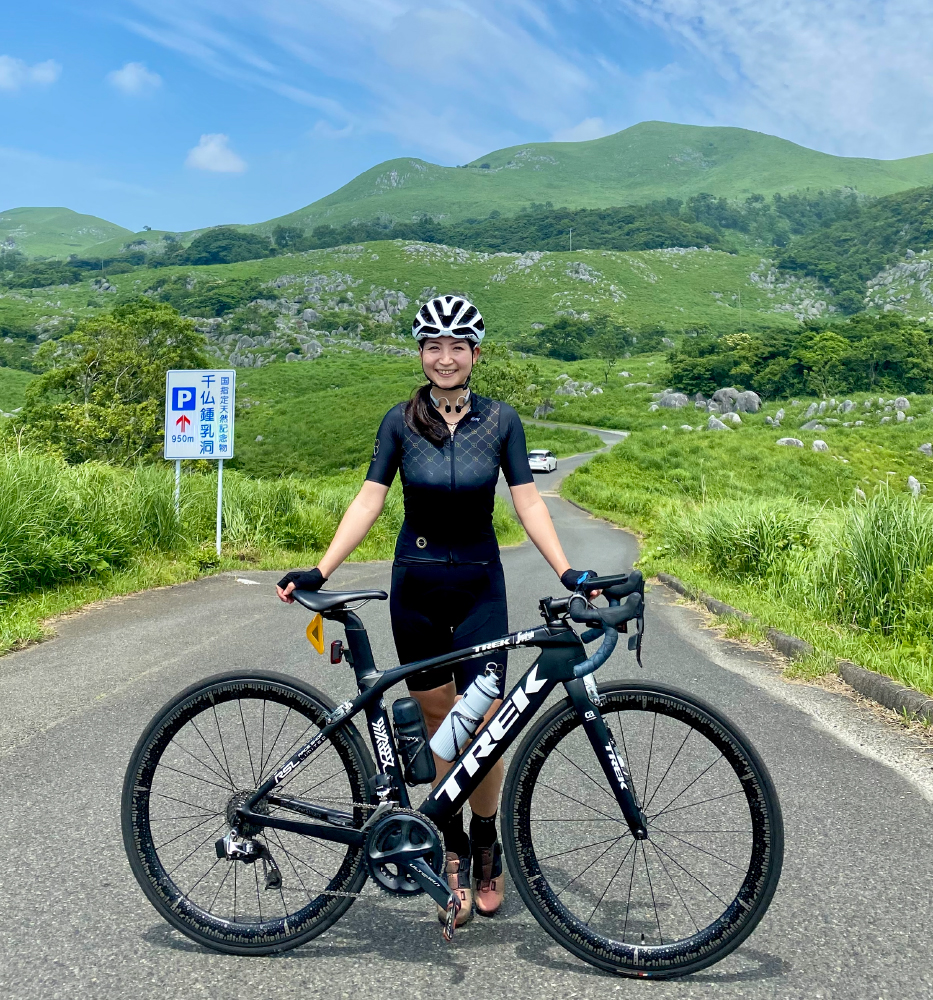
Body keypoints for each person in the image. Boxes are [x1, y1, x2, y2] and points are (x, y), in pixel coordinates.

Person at [277, 294, 596, 926]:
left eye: (457, 347)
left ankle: (484, 841)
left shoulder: (501, 422)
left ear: (475, 355)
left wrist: (567, 569)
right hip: (415, 589)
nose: (444, 358)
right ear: (421, 354)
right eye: (433, 346)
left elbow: (528, 501)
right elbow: (370, 499)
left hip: (480, 587)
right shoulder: (400, 422)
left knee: (482, 727)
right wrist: (322, 567)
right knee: (436, 721)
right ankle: (446, 843)